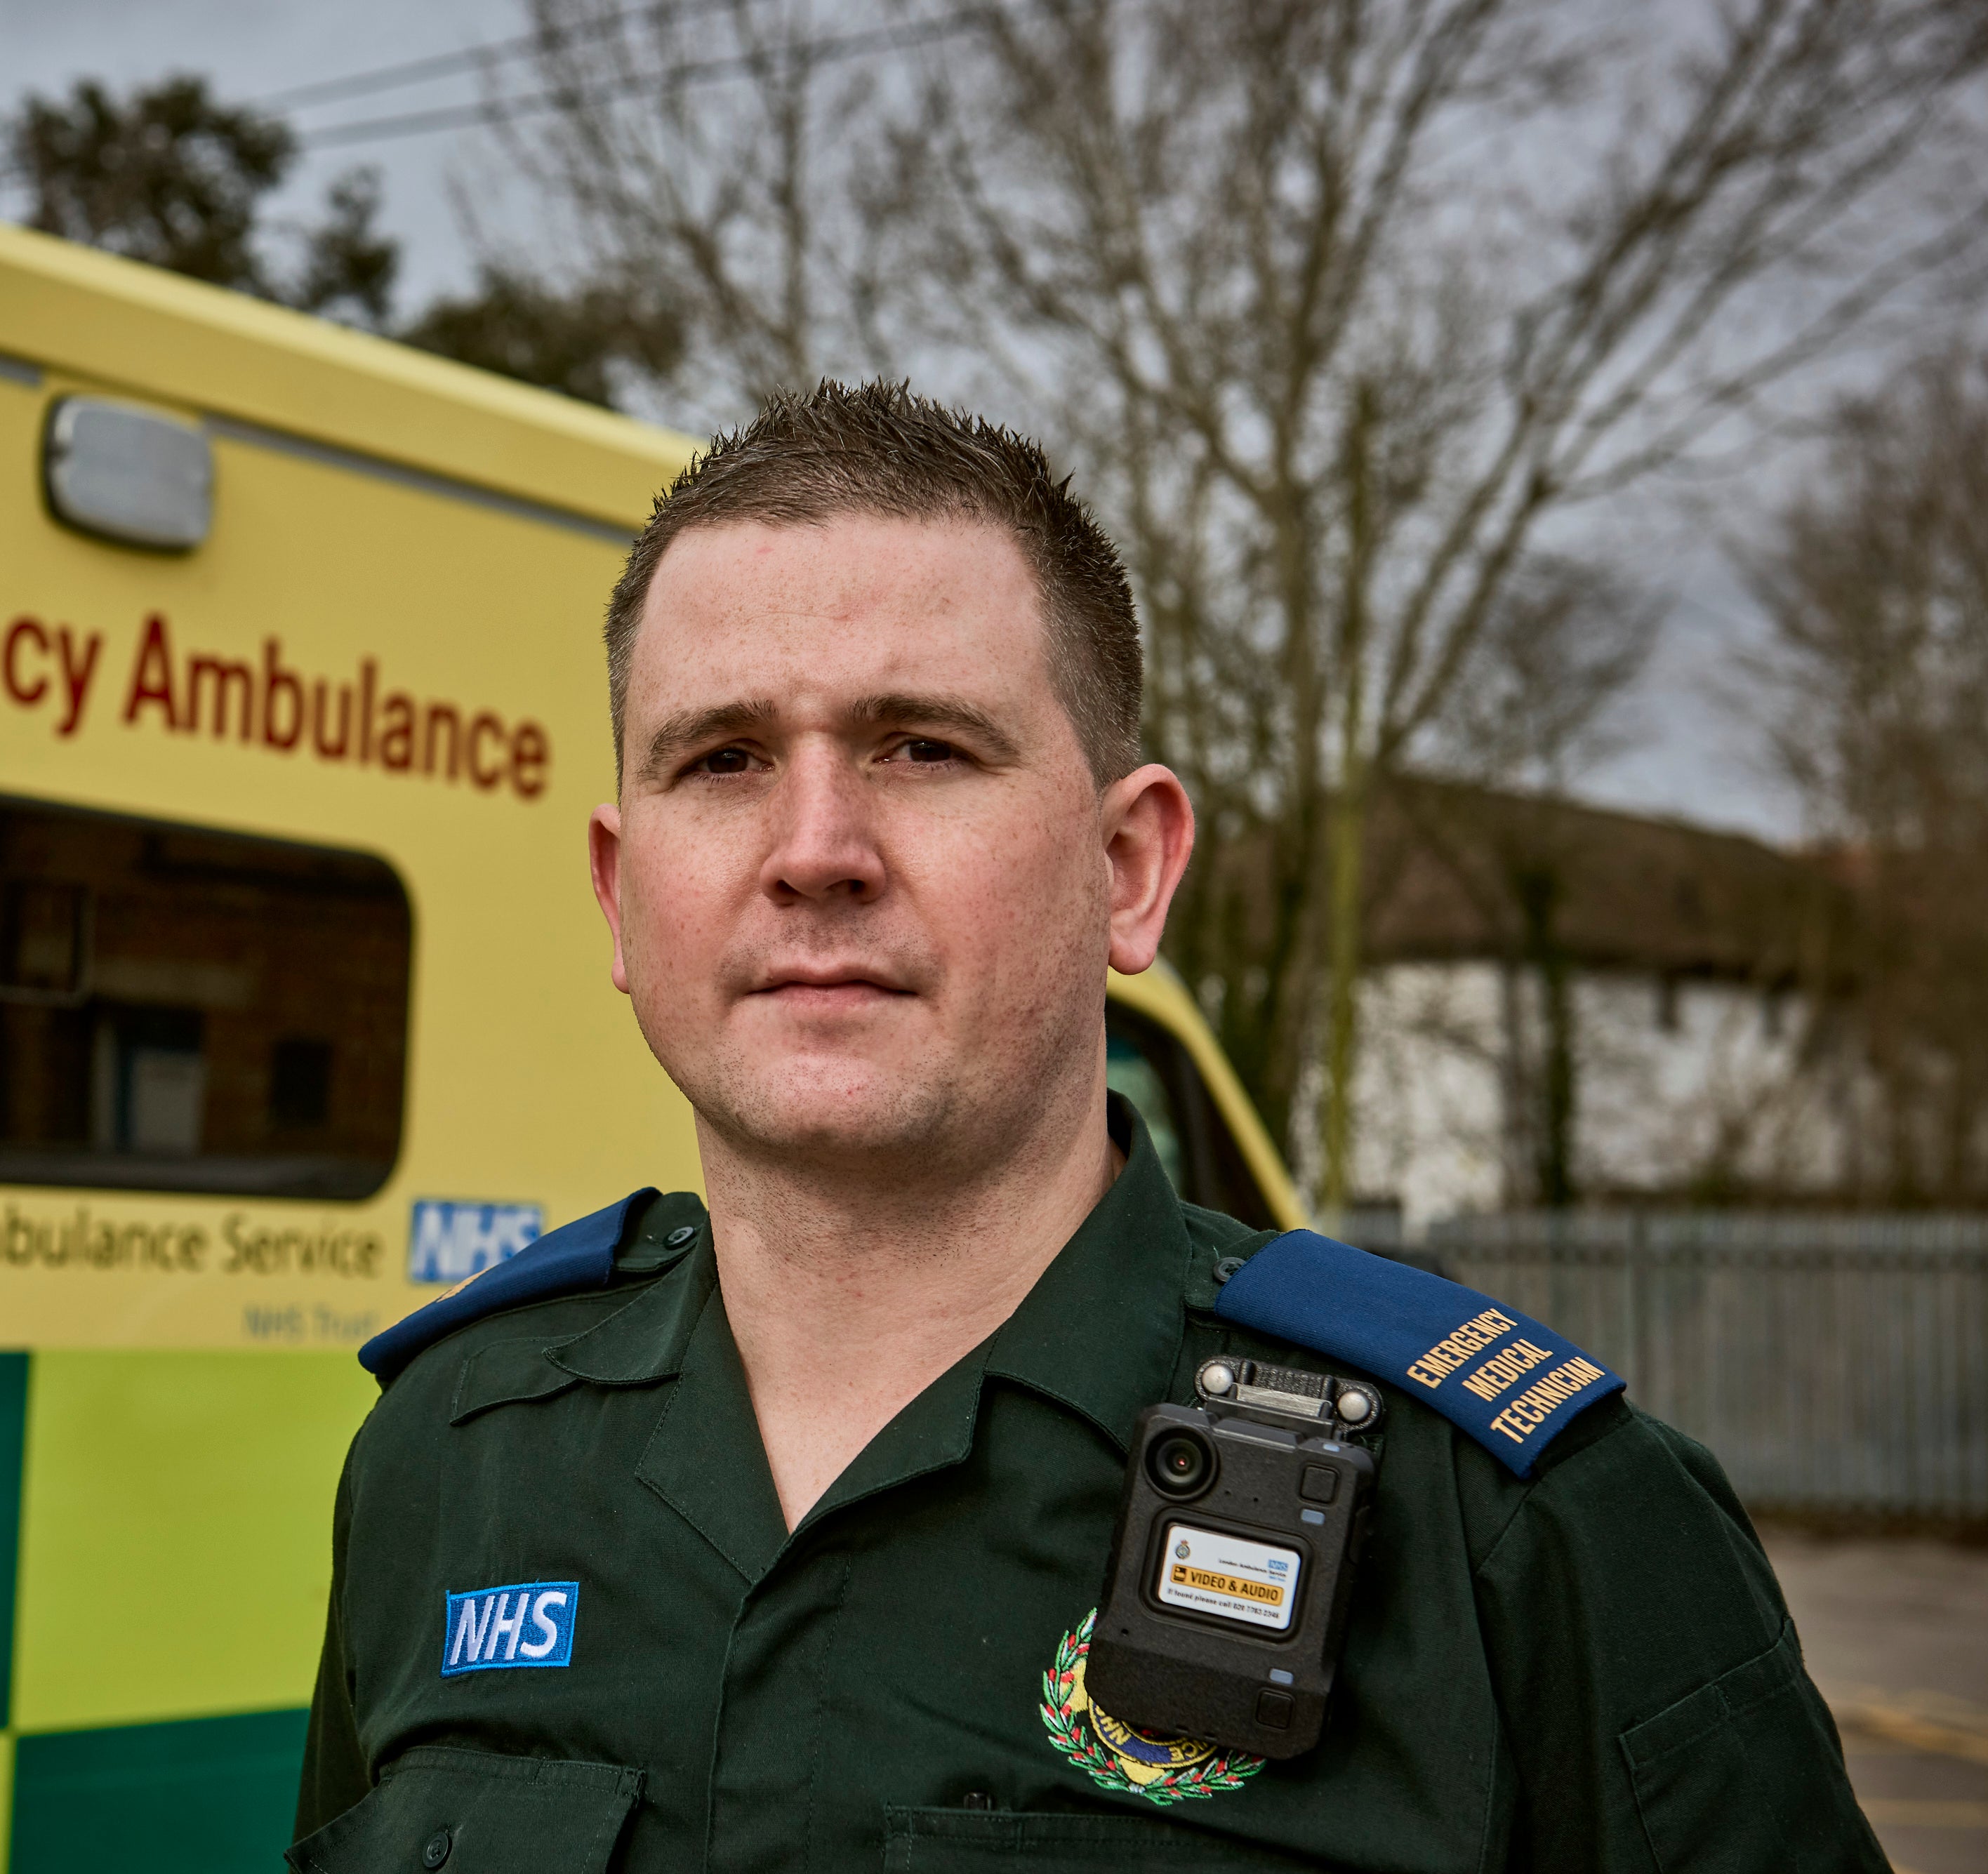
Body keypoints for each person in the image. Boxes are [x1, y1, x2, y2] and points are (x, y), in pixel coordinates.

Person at [289, 382, 1881, 1872]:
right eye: (722, 759)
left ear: (1127, 869)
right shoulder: (449, 1458)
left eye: (920, 746)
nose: (814, 849)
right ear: (620, 897)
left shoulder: (1527, 1536)